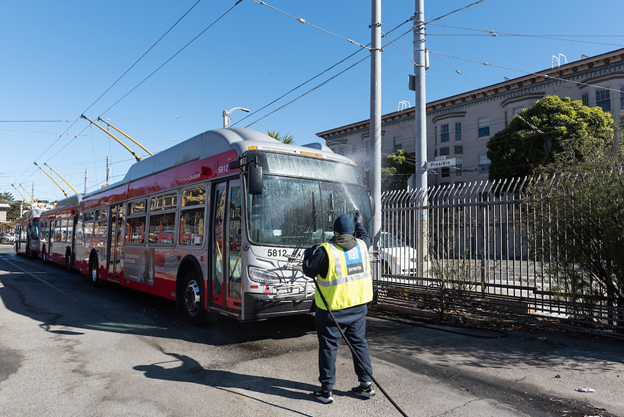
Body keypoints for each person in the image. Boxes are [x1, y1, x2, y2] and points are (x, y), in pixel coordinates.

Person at [302, 212, 375, 404]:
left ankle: (326, 391)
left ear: (334, 231)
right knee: (359, 344)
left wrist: (308, 254)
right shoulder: (361, 245)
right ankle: (366, 385)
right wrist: (359, 223)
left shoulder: (327, 251)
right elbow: (365, 236)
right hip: (358, 309)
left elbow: (309, 269)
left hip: (332, 312)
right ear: (352, 231)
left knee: (328, 348)